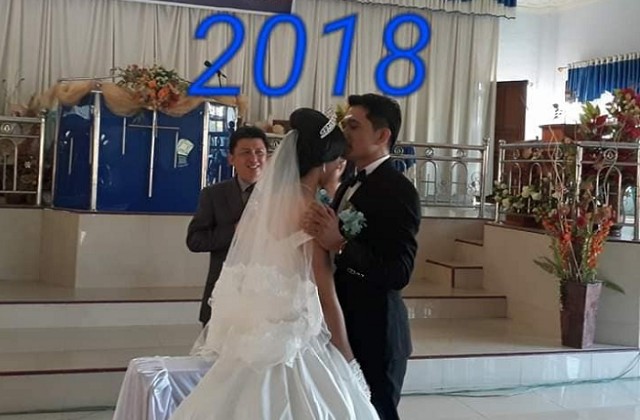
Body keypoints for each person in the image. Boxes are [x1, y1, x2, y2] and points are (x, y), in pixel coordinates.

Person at [170, 108, 380, 420]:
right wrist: (348, 358)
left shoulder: (266, 204)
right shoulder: (313, 213)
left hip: (258, 338)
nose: (341, 165)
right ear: (324, 162)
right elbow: (326, 296)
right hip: (296, 346)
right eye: (338, 158)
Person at [303, 94, 421, 420]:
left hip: (377, 331)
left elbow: (399, 272)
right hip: (344, 324)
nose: (345, 134)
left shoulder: (398, 190)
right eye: (344, 126)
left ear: (382, 135)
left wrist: (341, 245)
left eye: (354, 126)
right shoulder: (348, 184)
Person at [186, 126, 268, 326]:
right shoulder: (213, 194)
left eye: (259, 152)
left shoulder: (280, 196)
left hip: (265, 296)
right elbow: (195, 240)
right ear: (231, 159)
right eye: (245, 152)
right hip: (224, 292)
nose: (254, 159)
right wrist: (234, 231)